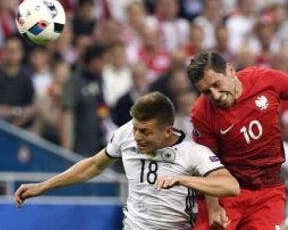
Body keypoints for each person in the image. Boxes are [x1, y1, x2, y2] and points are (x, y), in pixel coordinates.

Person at [15, 92, 239, 230]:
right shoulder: (126, 135)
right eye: (135, 128)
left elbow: (230, 186)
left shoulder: (192, 152)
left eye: (145, 131)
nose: (137, 136)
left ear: (167, 131)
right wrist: (43, 186)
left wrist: (184, 180)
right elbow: (93, 165)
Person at [187, 51, 288, 229]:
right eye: (207, 92)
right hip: (229, 190)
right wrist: (213, 207)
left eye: (217, 84)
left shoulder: (264, 79)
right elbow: (207, 162)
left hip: (268, 190)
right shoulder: (202, 113)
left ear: (230, 71)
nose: (215, 95)